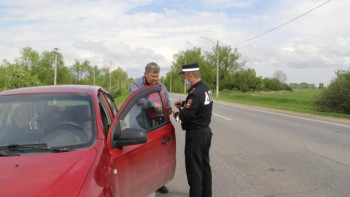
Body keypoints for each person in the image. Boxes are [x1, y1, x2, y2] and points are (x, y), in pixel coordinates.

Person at [129, 62, 171, 194]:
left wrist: (166, 110)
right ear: (145, 73)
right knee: (141, 154)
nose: (155, 79)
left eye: (157, 76)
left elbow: (168, 104)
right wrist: (154, 104)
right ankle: (140, 182)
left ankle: (158, 183)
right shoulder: (135, 84)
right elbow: (138, 100)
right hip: (139, 123)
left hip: (157, 126)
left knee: (157, 155)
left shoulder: (161, 87)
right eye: (153, 76)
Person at [173, 62, 213, 197]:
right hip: (205, 133)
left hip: (196, 135)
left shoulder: (195, 92)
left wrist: (176, 114)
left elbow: (185, 116)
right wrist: (184, 103)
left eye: (184, 76)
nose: (184, 79)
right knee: (205, 166)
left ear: (190, 75)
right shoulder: (205, 88)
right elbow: (199, 105)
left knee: (194, 169)